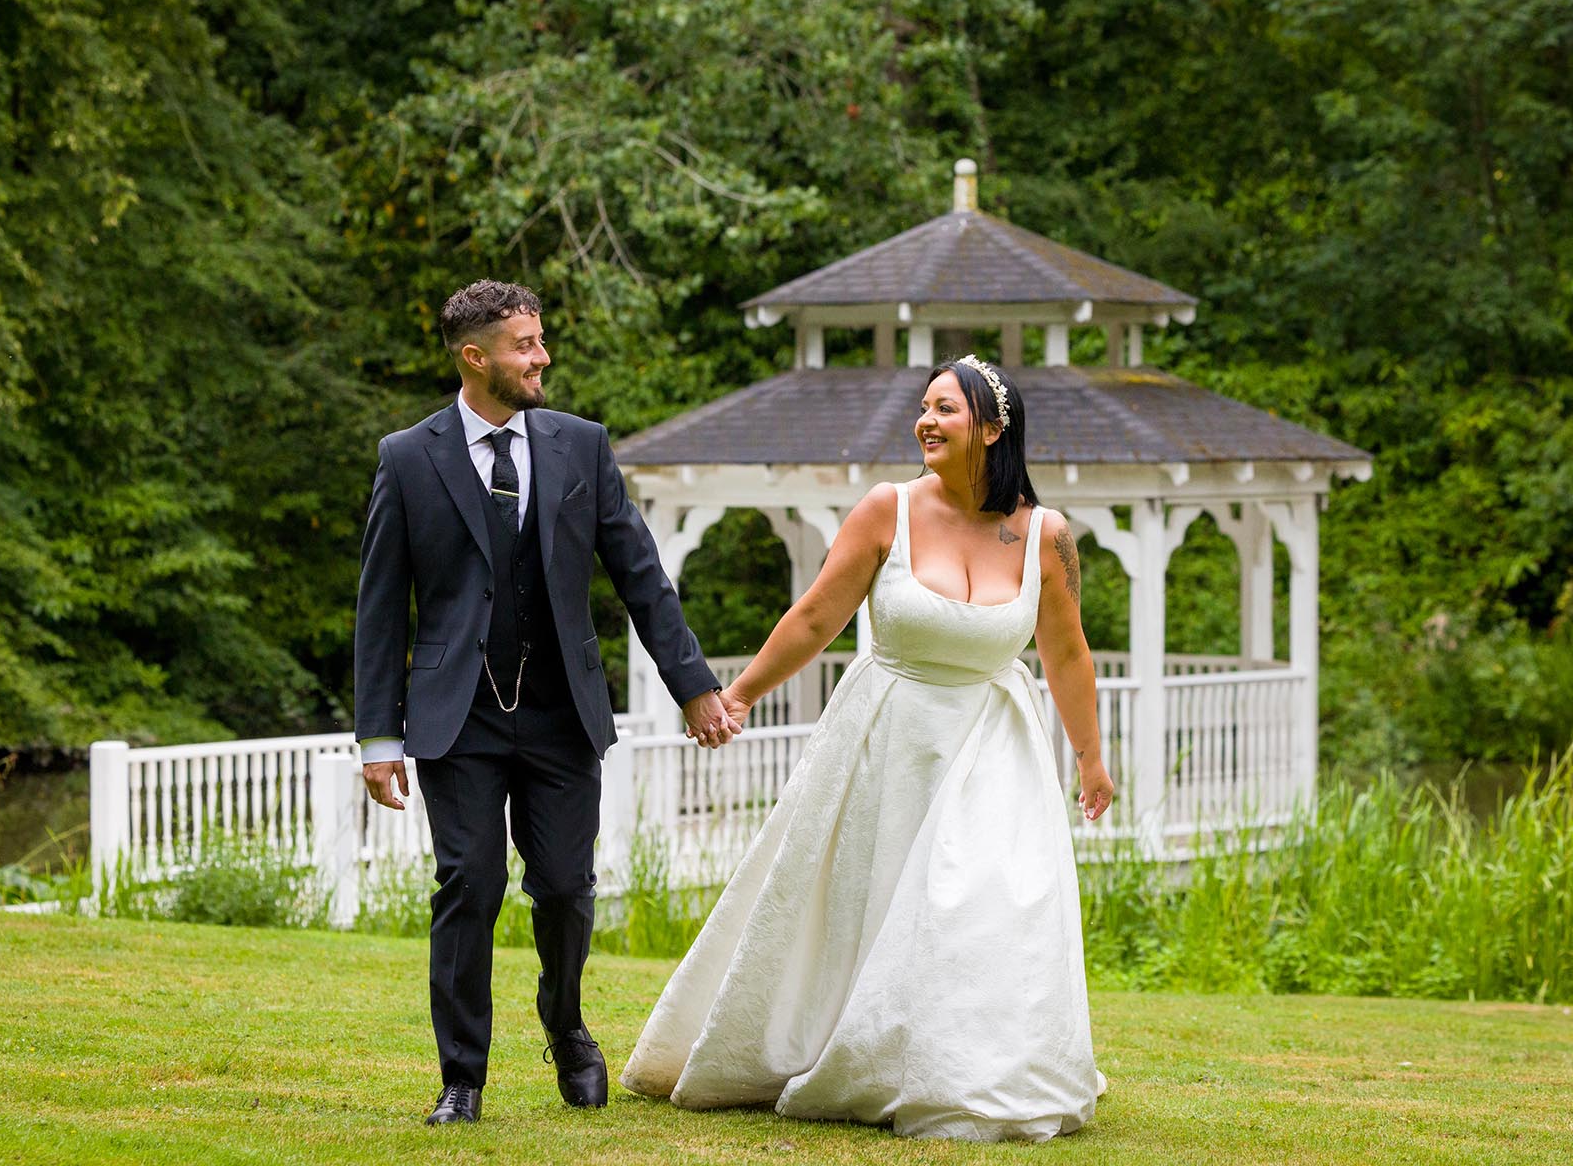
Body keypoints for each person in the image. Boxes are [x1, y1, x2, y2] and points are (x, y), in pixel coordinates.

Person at [620, 356, 1115, 1141]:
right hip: (888, 740)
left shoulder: (1045, 535)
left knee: (984, 906)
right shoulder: (888, 510)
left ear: (992, 428)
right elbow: (817, 615)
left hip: (994, 748)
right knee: (871, 907)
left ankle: (981, 1068)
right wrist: (741, 693)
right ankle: (850, 1049)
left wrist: (1089, 757)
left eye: (945, 410)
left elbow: (1067, 653)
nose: (925, 421)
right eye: (924, 407)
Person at [353, 280, 739, 1127]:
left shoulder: (581, 446)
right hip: (458, 716)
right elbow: (381, 608)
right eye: (525, 344)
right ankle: (463, 1077)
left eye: (540, 340)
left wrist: (695, 687)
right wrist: (379, 736)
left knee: (564, 887)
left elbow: (641, 573)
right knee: (470, 884)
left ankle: (565, 1026)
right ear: (475, 356)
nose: (542, 357)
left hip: (563, 710)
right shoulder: (409, 457)